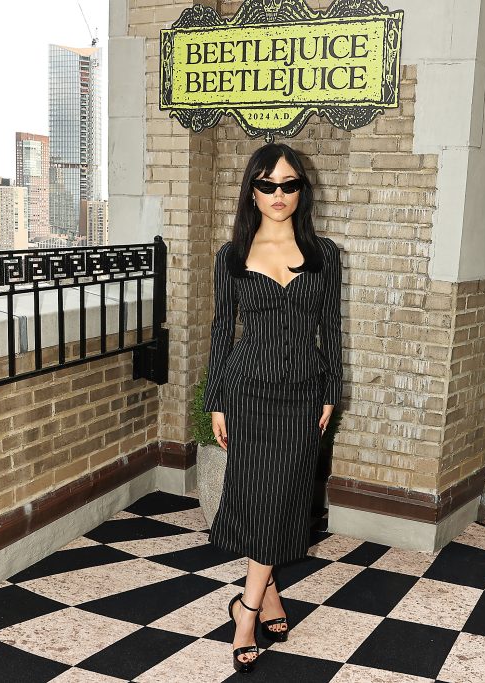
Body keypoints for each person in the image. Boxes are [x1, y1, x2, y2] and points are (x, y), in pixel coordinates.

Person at [202, 142, 343, 673]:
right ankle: (259, 605)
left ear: (301, 191)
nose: (278, 195)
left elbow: (330, 328)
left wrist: (332, 389)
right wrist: (215, 399)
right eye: (267, 185)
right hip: (248, 393)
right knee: (263, 499)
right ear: (252, 190)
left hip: (303, 393)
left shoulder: (325, 254)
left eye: (289, 184)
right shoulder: (232, 256)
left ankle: (248, 604)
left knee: (284, 496)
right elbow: (222, 333)